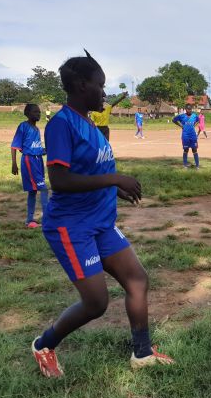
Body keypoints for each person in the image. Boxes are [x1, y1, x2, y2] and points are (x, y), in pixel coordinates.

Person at [31, 50, 174, 378]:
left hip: (101, 223)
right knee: (96, 303)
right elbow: (61, 180)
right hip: (71, 227)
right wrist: (114, 178)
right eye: (100, 85)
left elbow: (90, 171)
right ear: (82, 85)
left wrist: (113, 190)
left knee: (137, 280)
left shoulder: (91, 124)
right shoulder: (61, 125)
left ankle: (142, 352)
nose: (104, 92)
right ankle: (44, 344)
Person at [11, 103, 49, 228]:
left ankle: (29, 220)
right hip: (29, 160)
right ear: (27, 114)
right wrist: (14, 164)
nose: (38, 114)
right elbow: (14, 146)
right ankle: (47, 218)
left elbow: (36, 147)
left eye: (39, 112)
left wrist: (46, 150)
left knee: (32, 191)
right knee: (43, 188)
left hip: (38, 160)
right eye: (35, 112)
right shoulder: (23, 126)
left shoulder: (37, 129)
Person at [173, 104, 200, 168]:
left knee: (194, 150)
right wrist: (181, 125)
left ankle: (197, 165)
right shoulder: (182, 116)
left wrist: (194, 125)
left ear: (191, 109)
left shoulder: (194, 116)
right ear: (185, 109)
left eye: (190, 109)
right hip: (185, 135)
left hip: (193, 135)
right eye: (188, 109)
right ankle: (185, 165)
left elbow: (198, 120)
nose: (189, 110)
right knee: (186, 150)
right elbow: (174, 120)